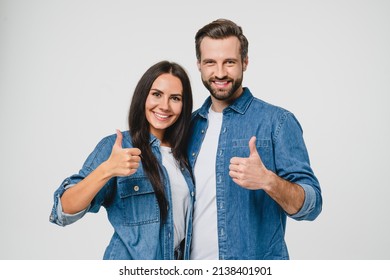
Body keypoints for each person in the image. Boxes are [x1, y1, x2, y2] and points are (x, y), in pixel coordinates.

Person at [188, 19, 323, 260]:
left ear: (245, 63)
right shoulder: (186, 127)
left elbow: (311, 205)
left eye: (229, 62)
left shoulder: (277, 122)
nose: (220, 73)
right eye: (210, 62)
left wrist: (268, 181)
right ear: (199, 65)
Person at [49, 60, 195, 260]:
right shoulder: (118, 147)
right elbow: (63, 210)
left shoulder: (186, 154)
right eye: (157, 94)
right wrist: (107, 169)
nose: (165, 106)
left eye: (175, 98)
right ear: (143, 96)